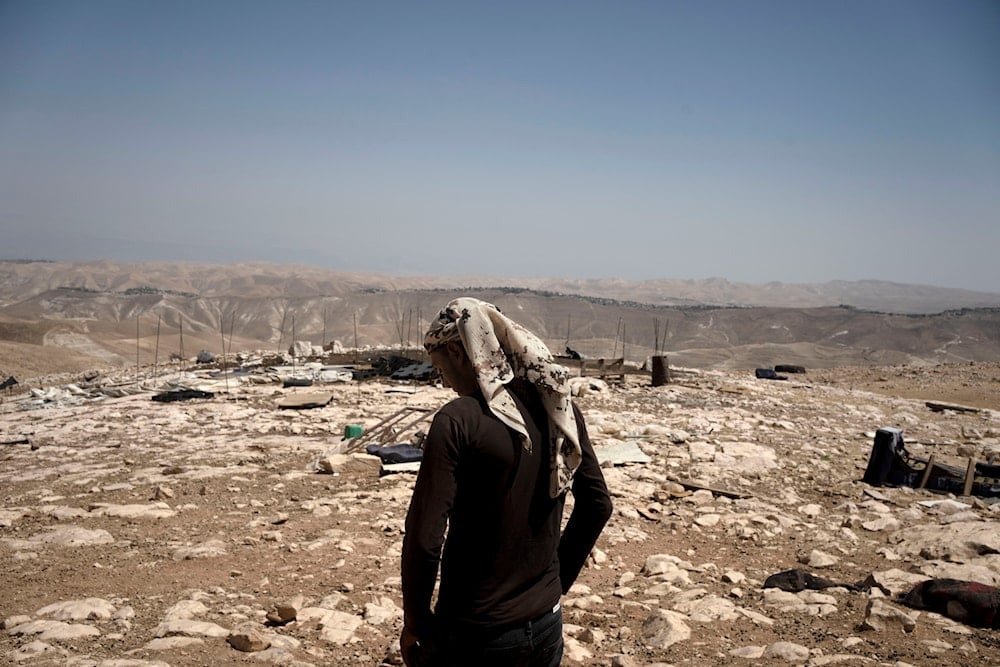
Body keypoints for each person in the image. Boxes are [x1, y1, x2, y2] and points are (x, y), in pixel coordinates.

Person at [400, 298, 613, 666]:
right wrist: (553, 585)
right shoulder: (558, 408)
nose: (444, 380)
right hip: (547, 625)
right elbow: (598, 504)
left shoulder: (458, 420)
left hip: (476, 632)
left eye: (440, 367)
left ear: (458, 350)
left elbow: (424, 538)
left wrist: (416, 620)